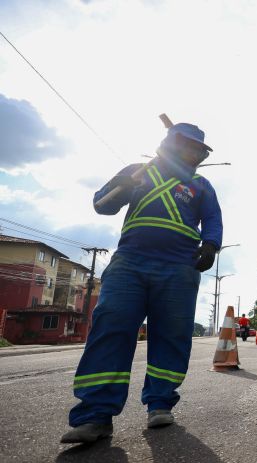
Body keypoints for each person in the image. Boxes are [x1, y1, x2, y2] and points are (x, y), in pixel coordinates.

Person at [61, 123, 222, 444]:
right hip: (130, 262)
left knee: (172, 333)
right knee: (111, 327)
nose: (197, 155)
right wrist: (120, 186)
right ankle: (95, 414)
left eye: (201, 151)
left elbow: (214, 219)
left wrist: (211, 244)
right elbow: (102, 204)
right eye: (191, 147)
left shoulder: (201, 184)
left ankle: (160, 403)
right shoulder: (138, 171)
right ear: (172, 143)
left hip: (179, 266)